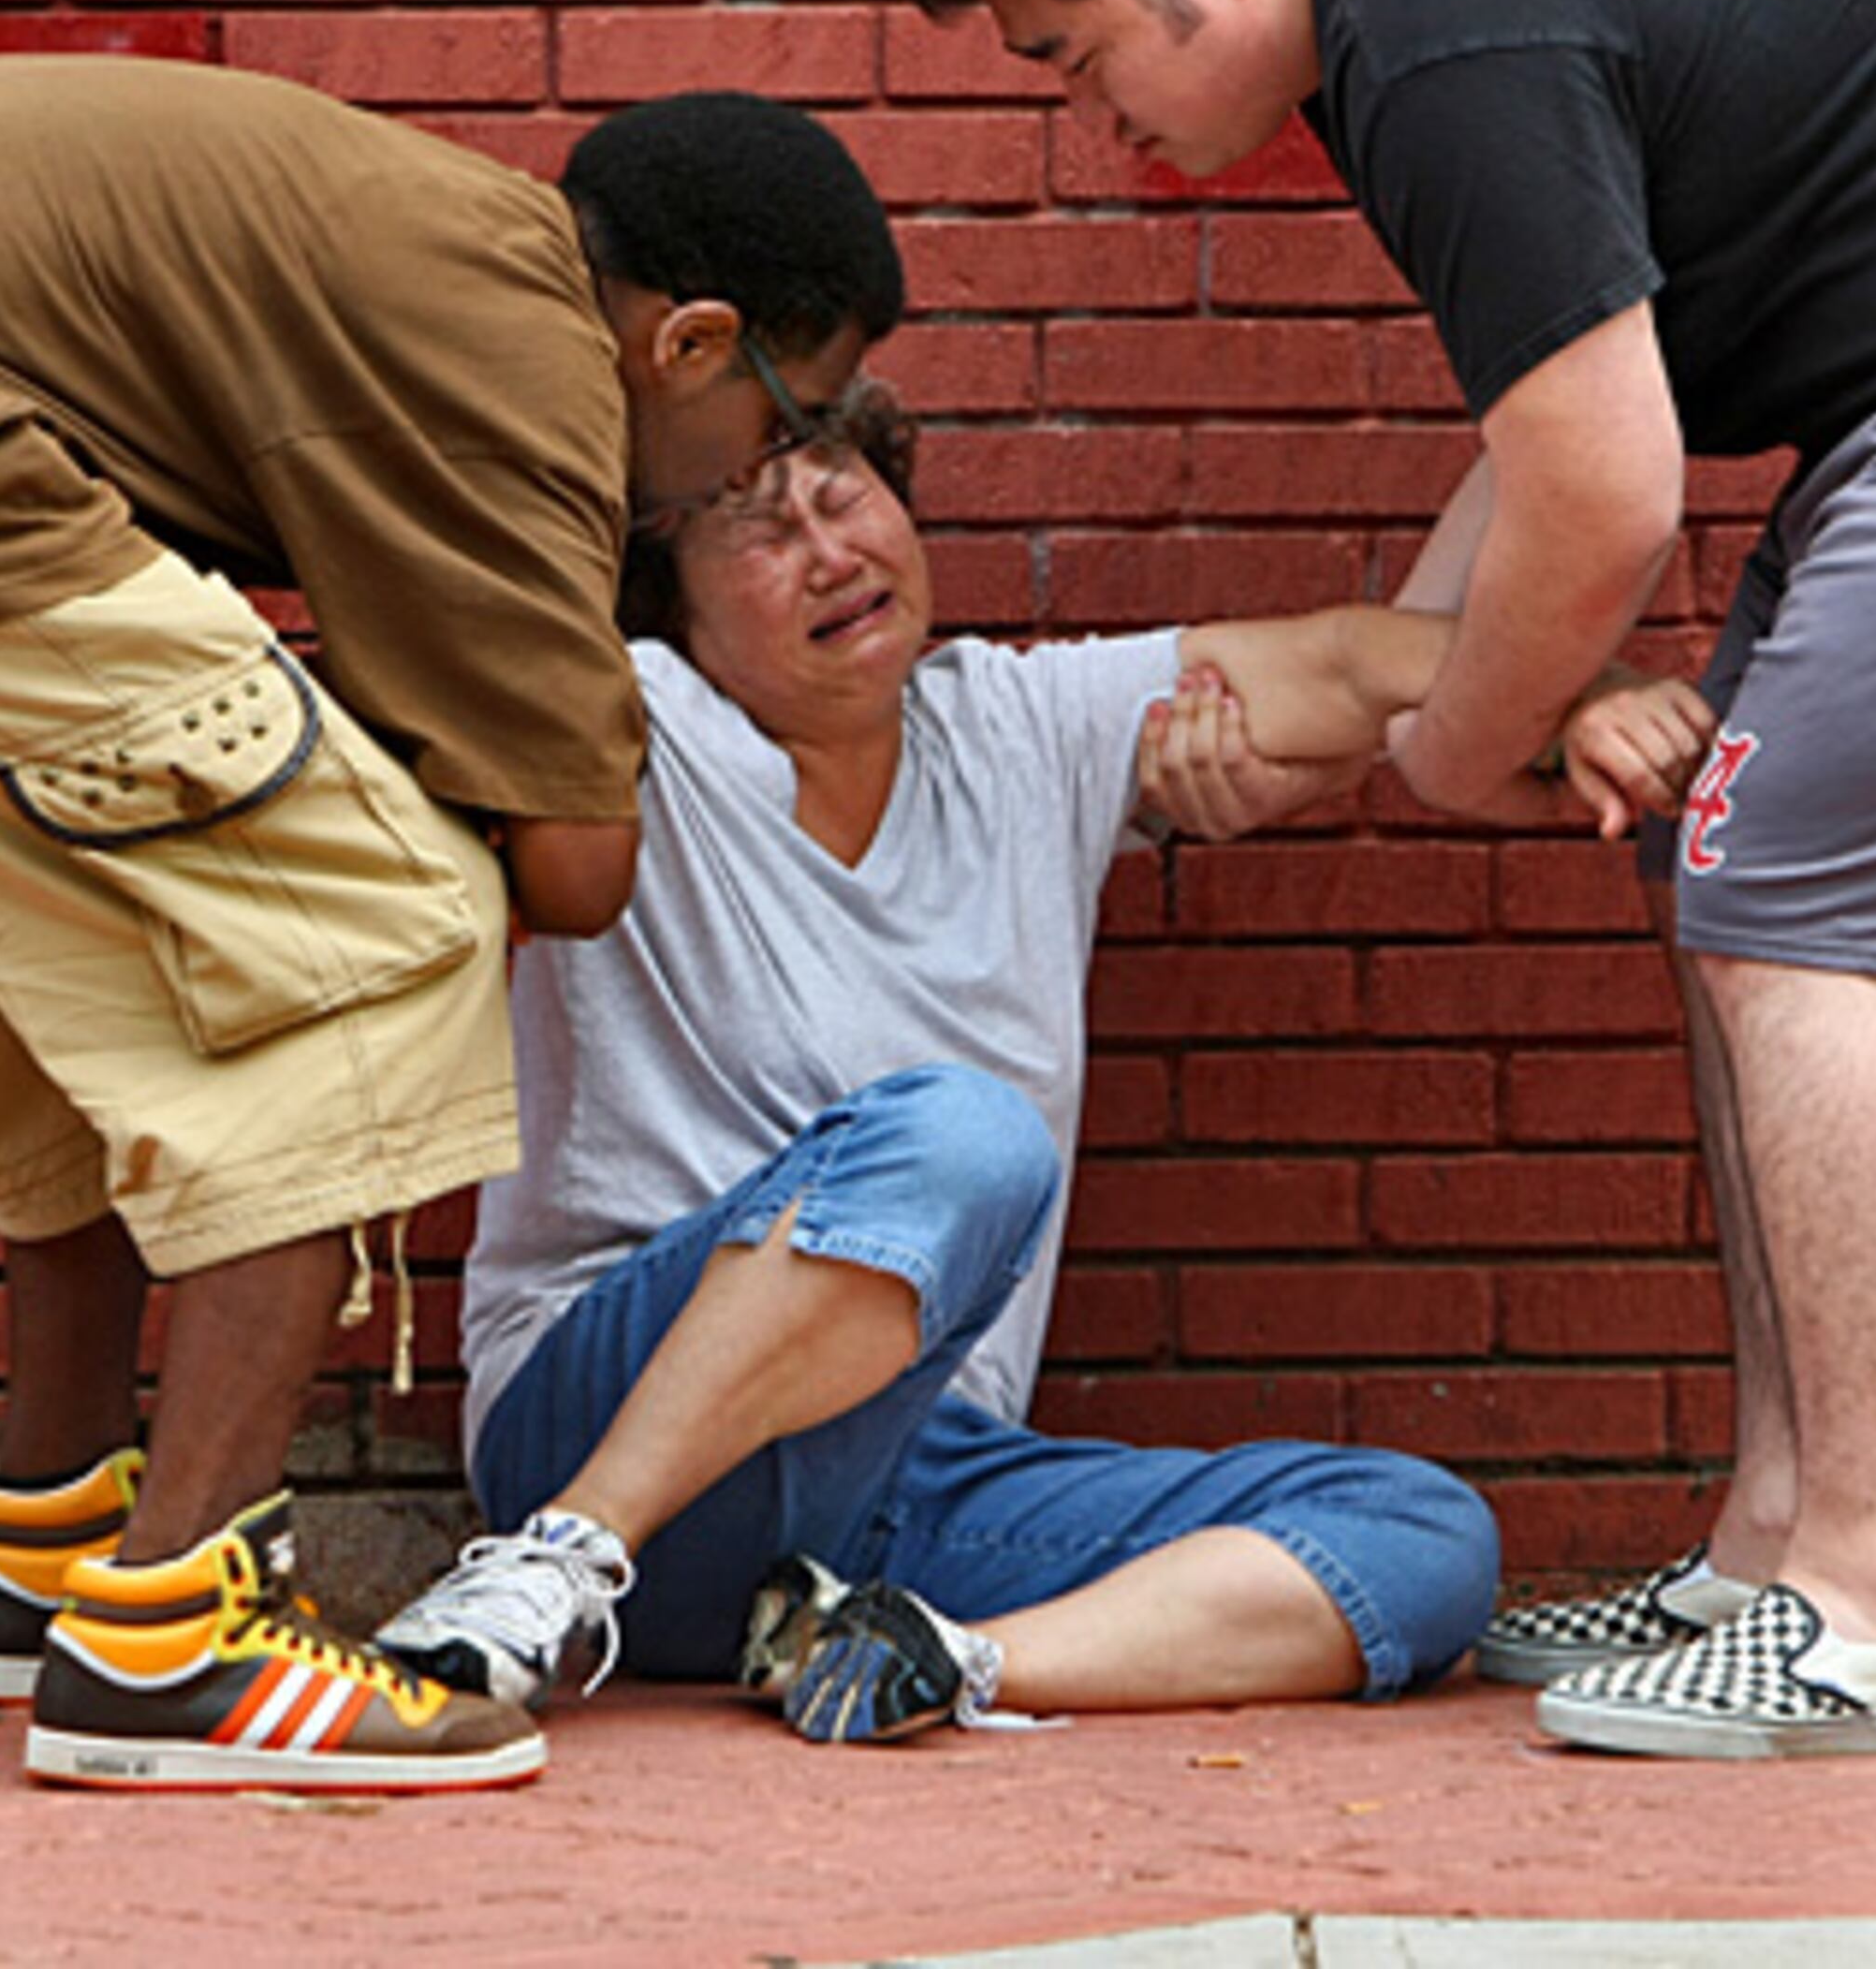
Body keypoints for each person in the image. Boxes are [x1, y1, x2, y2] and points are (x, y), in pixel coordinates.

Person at [0, 55, 904, 1793]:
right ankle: (173, 1637)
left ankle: (46, 1543)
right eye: (787, 419)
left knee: (99, 944)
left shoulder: (415, 247)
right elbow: (571, 870)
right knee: (386, 915)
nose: (766, 472)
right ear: (688, 341)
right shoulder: (516, 358)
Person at [900, 0, 1876, 1758]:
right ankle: (1773, 1552)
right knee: (1728, 871)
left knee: (1790, 903)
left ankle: (1870, 1612)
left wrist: (1454, 755)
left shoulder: (1434, 22)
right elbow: (1546, 434)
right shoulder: (1416, 15)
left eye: (1072, 58)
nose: (1093, 119)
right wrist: (1386, 727)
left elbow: (1609, 487)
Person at [358, 389, 1711, 1740]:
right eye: (757, 532)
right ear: (674, 613)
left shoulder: (1021, 724)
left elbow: (1349, 670)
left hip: (907, 1484)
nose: (831, 552)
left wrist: (1579, 696)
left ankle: (927, 1658)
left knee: (1421, 1540)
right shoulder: (638, 725)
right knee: (966, 1136)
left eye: (845, 495)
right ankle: (556, 1572)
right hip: (605, 1418)